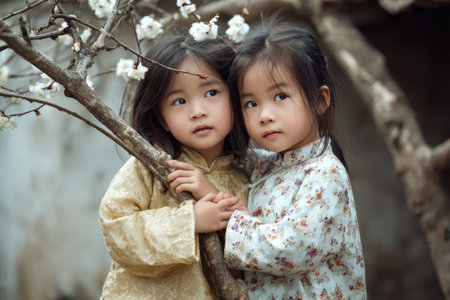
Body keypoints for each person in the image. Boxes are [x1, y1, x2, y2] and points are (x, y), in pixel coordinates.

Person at [170, 19, 367, 299]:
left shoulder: (325, 174)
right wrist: (166, 141)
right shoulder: (268, 165)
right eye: (251, 103)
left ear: (320, 100)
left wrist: (221, 209)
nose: (265, 115)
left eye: (280, 96)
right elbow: (227, 157)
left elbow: (290, 249)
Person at [98, 23, 249, 300]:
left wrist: (226, 213)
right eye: (179, 101)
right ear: (161, 119)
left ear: (236, 97)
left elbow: (262, 250)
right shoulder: (149, 168)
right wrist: (189, 221)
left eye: (211, 92)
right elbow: (116, 228)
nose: (198, 111)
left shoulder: (250, 172)